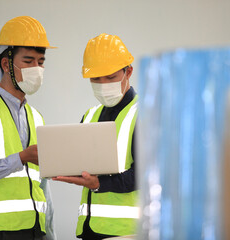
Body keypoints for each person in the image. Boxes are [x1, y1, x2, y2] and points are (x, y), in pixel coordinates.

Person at [0, 16, 56, 240]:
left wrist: (50, 233)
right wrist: (20, 158)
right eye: (28, 61)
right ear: (7, 64)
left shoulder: (36, 117)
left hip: (36, 231)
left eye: (41, 61)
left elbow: (43, 187)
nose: (36, 68)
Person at [53, 33, 139, 240]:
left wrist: (99, 184)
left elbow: (145, 175)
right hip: (90, 229)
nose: (103, 84)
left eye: (110, 77)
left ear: (128, 72)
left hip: (126, 233)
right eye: (95, 79)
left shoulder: (143, 114)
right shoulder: (90, 115)